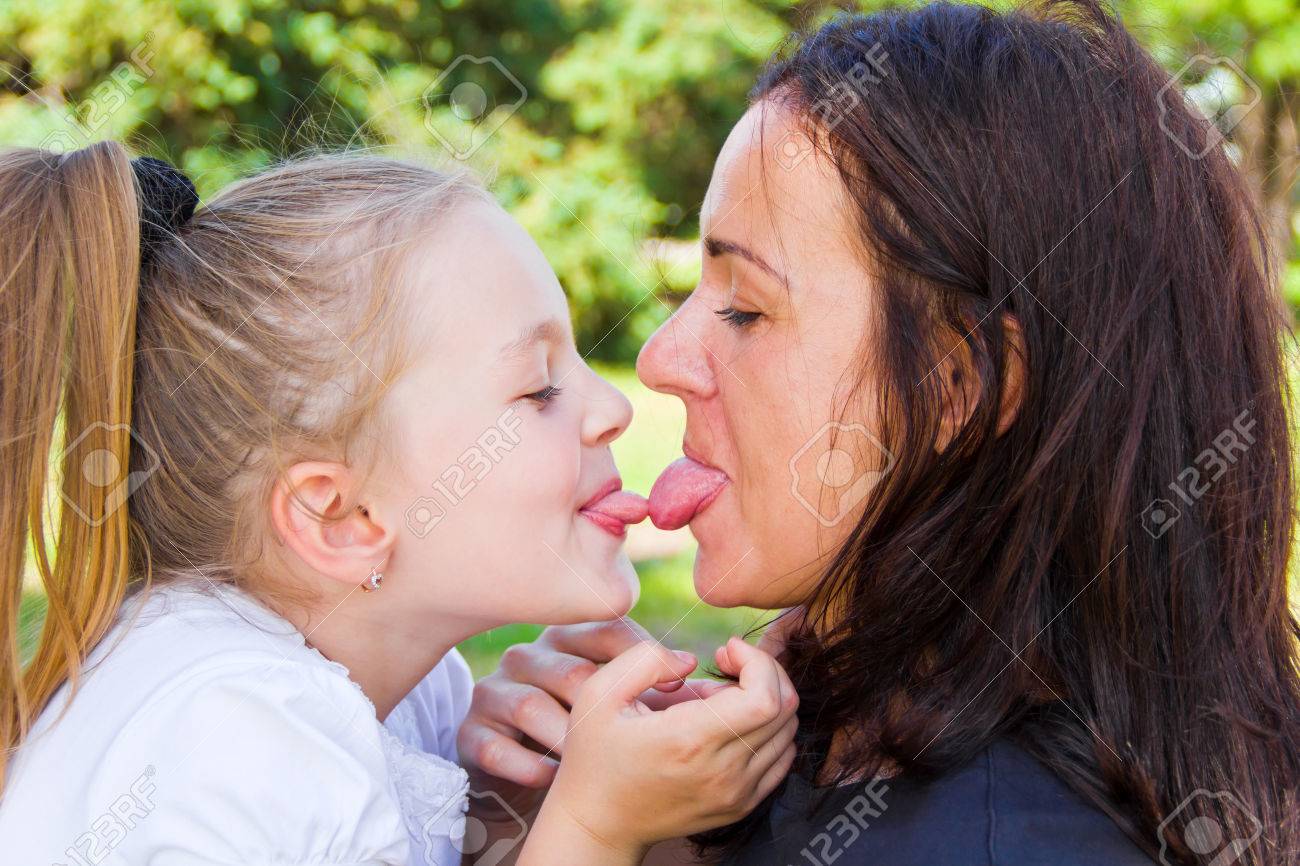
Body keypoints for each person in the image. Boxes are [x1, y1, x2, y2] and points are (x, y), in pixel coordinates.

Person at [459, 2, 1300, 864]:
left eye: (745, 309)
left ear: (958, 384)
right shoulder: (852, 746)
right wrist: (539, 805)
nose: (661, 356)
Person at [0, 145, 799, 865]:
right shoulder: (237, 742)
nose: (613, 408)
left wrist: (509, 807)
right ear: (340, 517)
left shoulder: (411, 690)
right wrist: (596, 827)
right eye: (539, 386)